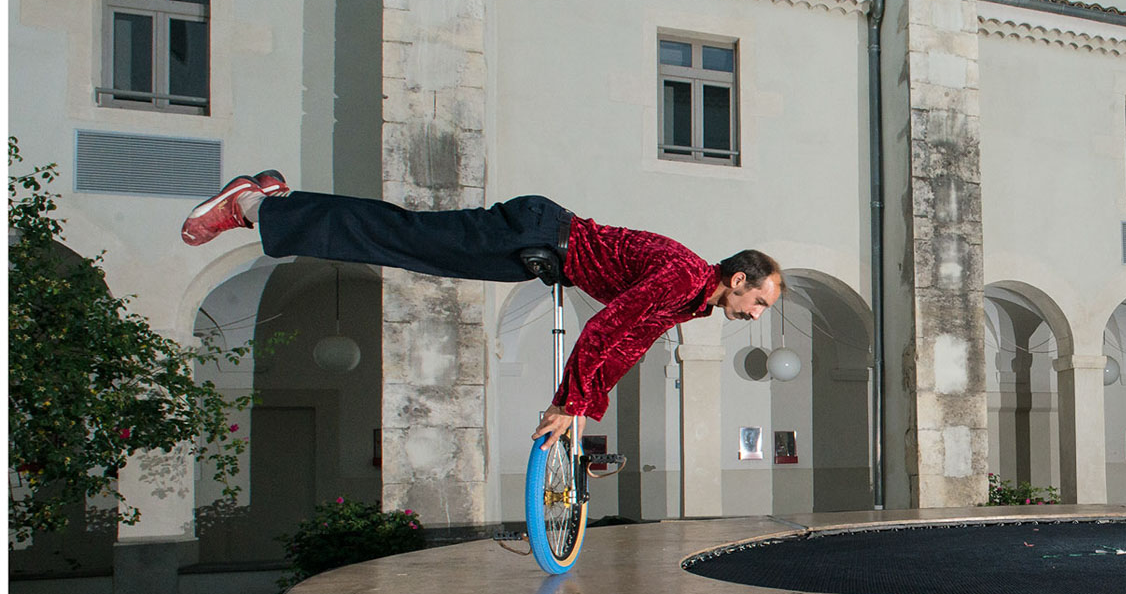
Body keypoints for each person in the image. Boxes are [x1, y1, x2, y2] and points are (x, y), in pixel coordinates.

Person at [181, 171, 784, 447]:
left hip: (536, 249)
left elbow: (626, 346)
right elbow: (607, 329)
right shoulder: (682, 275)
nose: (756, 316)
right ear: (737, 279)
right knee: (404, 236)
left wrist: (579, 407)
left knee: (404, 242)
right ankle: (254, 207)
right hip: (539, 234)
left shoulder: (688, 299)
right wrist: (573, 401)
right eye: (758, 301)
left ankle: (278, 200)